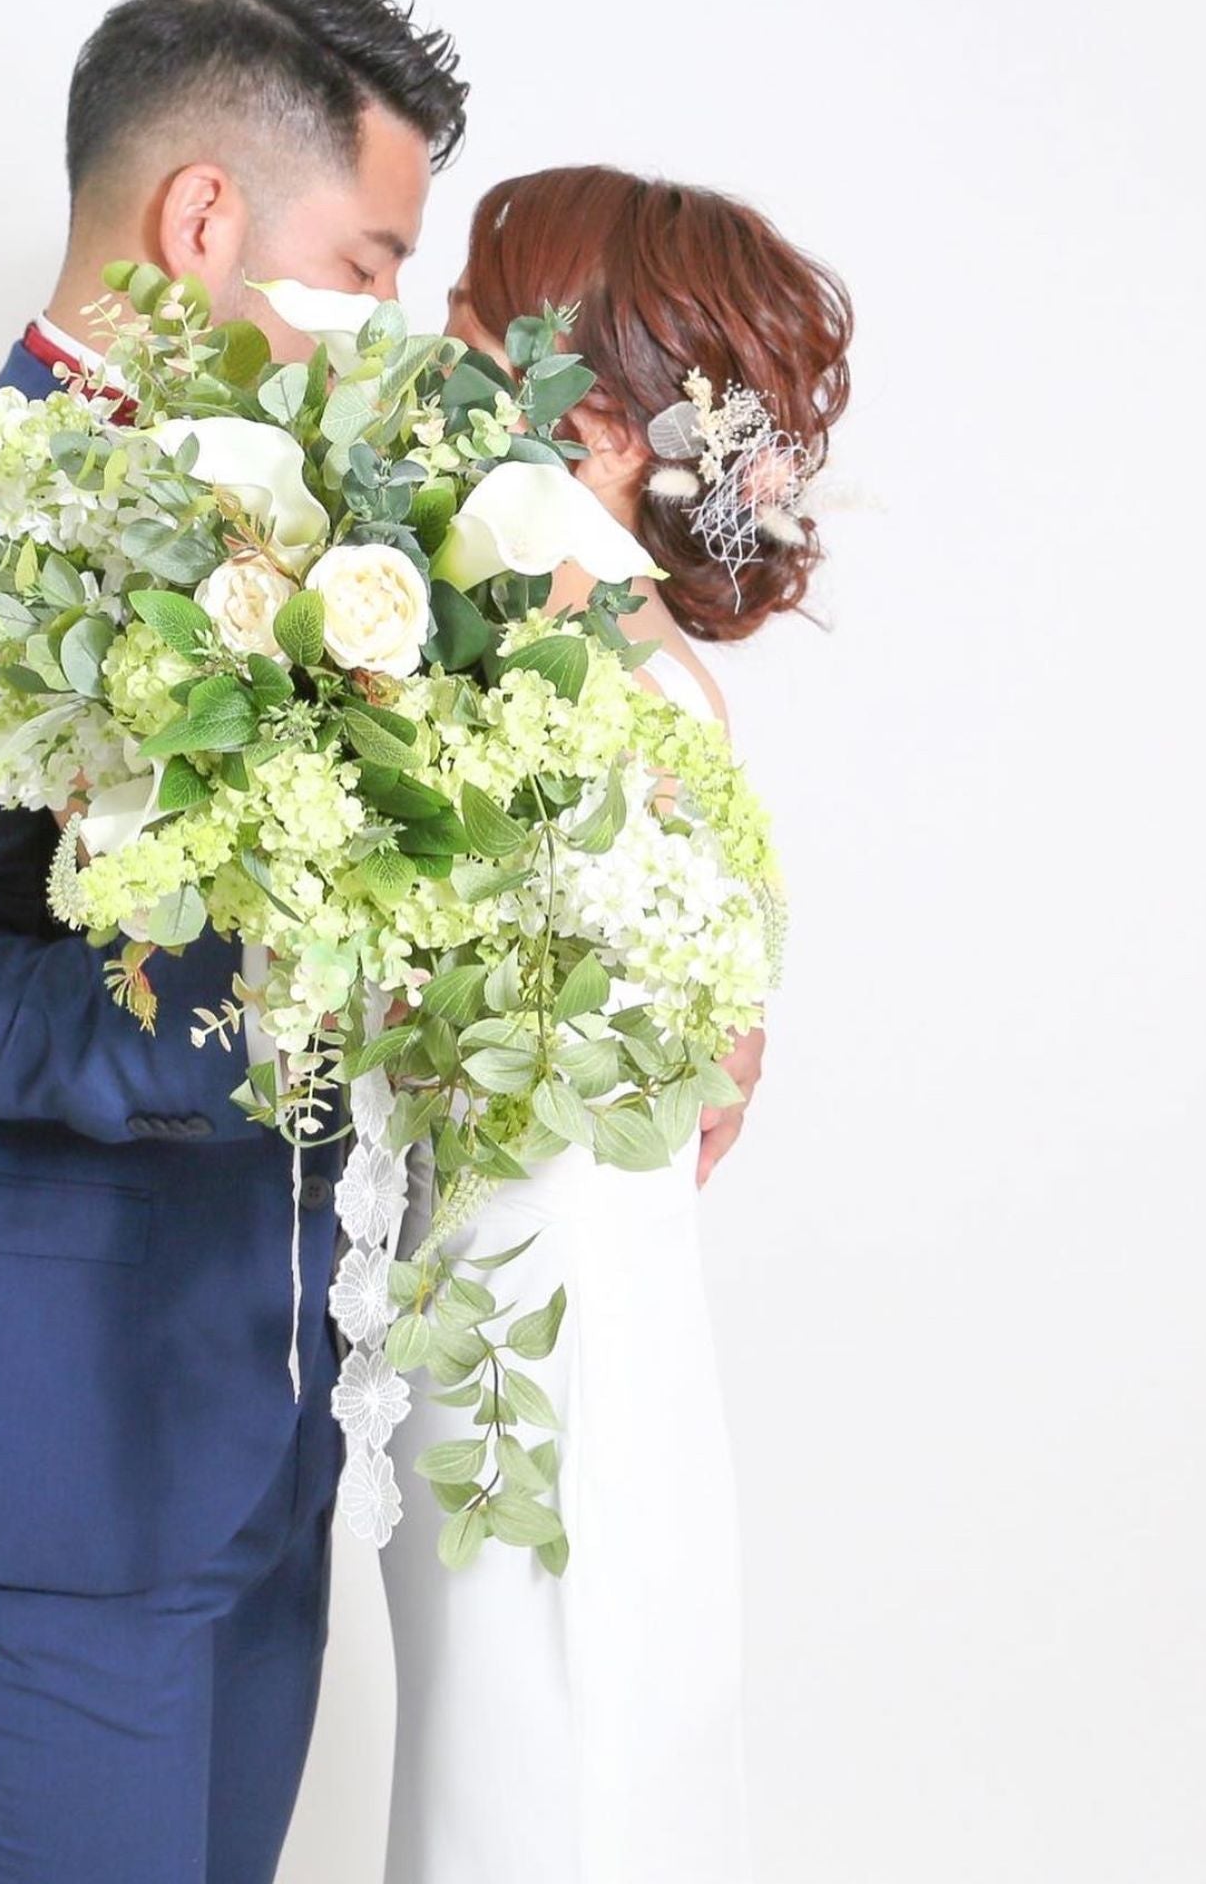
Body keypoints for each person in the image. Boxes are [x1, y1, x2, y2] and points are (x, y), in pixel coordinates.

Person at [0, 0, 466, 1884]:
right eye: (371, 264)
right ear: (203, 215)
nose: (389, 326)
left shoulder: (308, 533)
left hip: (251, 1437)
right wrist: (256, 1015)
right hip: (31, 1467)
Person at [379, 165, 852, 1883]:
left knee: (537, 1742)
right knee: (589, 1725)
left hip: (531, 1290)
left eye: (465, 321)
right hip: (578, 1278)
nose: (423, 352)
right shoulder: (613, 634)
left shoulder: (530, 611)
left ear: (586, 412)